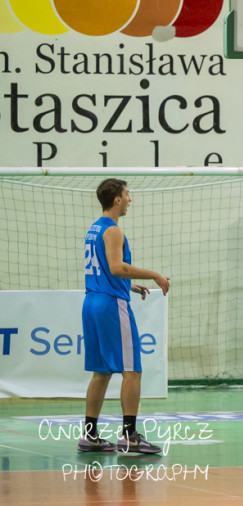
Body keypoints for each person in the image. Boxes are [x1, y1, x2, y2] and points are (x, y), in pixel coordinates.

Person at [80, 178, 170, 455]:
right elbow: (117, 267)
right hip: (110, 305)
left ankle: (90, 435)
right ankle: (130, 436)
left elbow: (104, 268)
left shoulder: (94, 228)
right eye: (127, 194)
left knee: (102, 372)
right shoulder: (113, 230)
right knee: (132, 370)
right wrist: (154, 274)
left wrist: (128, 285)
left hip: (92, 301)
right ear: (117, 199)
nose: (130, 199)